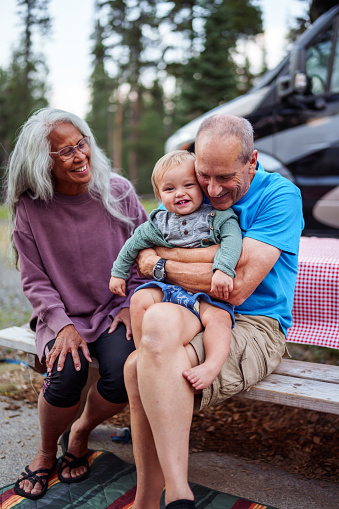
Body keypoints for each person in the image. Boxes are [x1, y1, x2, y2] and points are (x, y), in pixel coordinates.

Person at [123, 114, 304, 509]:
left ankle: (159, 498)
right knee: (153, 326)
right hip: (196, 308)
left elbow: (237, 286)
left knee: (138, 370)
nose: (214, 188)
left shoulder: (280, 196)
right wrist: (203, 262)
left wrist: (159, 261)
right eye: (205, 175)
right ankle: (164, 496)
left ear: (252, 161)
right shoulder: (192, 190)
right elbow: (206, 254)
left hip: (256, 324)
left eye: (226, 178)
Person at [5, 107, 148, 500]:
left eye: (81, 144)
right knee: (66, 372)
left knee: (123, 372)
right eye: (64, 152)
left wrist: (129, 303)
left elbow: (146, 253)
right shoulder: (31, 209)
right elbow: (34, 279)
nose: (80, 155)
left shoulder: (118, 191)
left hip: (113, 310)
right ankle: (46, 451)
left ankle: (82, 432)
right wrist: (60, 324)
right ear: (42, 164)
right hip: (60, 315)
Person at [109, 150, 242, 390]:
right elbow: (133, 244)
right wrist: (118, 272)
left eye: (188, 185)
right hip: (168, 288)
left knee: (220, 320)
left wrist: (223, 269)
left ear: (201, 187)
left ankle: (211, 365)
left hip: (205, 296)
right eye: (169, 189)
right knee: (139, 298)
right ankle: (143, 353)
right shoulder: (159, 222)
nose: (180, 193)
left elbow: (233, 240)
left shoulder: (217, 217)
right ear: (159, 194)